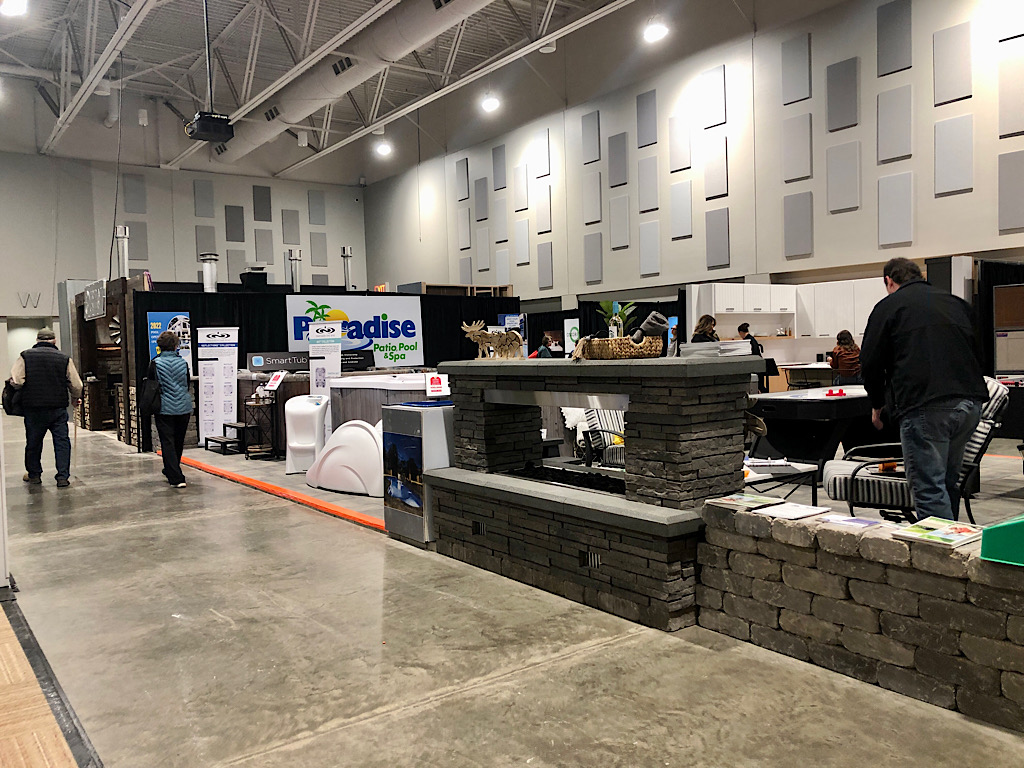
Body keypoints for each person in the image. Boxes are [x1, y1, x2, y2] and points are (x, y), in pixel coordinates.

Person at [860, 257, 988, 520]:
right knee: (947, 482)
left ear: (889, 281)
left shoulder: (889, 307)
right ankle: (953, 540)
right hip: (970, 403)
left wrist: (877, 403)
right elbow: (980, 352)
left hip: (925, 405)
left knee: (929, 487)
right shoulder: (955, 303)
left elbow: (870, 361)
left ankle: (938, 545)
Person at [9, 328, 83, 487]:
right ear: (54, 341)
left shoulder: (25, 356)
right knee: (62, 442)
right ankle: (62, 477)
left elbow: (17, 380)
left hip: (34, 408)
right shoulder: (64, 358)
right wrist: (75, 398)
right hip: (57, 408)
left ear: (37, 340)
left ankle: (34, 475)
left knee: (33, 442)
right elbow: (76, 384)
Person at [152, 331, 194, 488]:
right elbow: (186, 383)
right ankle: (170, 468)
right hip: (183, 406)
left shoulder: (155, 363)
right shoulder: (183, 363)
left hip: (164, 408)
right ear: (176, 345)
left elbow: (152, 386)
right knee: (178, 441)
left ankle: (176, 477)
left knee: (167, 442)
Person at [738, 323, 767, 392]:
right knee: (760, 385)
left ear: (740, 332)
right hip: (759, 363)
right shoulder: (751, 338)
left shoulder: (747, 341)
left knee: (759, 385)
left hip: (755, 365)